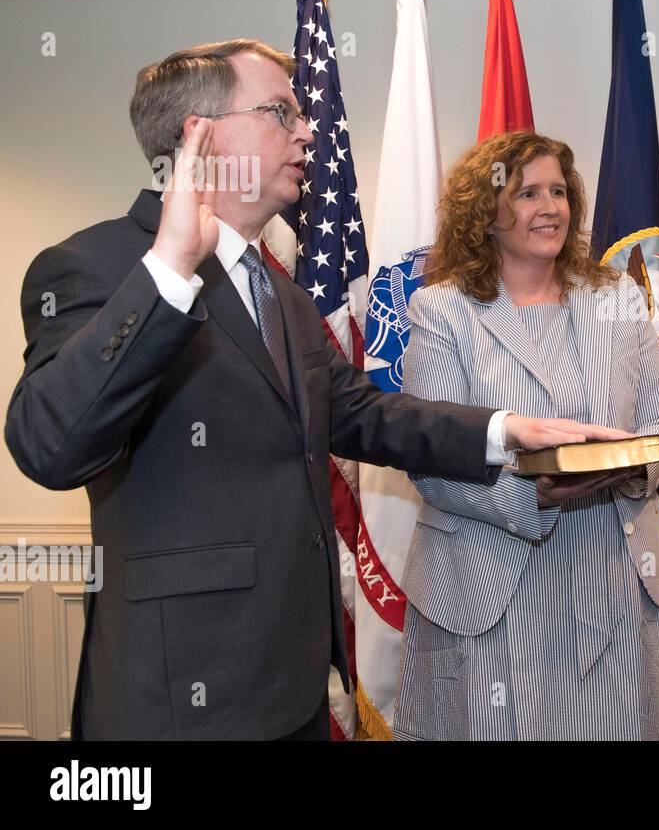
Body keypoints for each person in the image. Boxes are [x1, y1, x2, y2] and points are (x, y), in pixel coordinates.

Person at [5, 39, 619, 740]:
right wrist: (168, 274)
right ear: (197, 135)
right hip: (179, 695)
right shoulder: (94, 265)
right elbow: (50, 446)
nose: (308, 131)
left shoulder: (281, 292)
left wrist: (506, 432)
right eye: (280, 112)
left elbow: (364, 415)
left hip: (296, 683)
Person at [392, 131, 659, 740]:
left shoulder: (617, 297)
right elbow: (430, 460)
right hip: (491, 593)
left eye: (558, 191)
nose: (550, 207)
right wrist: (535, 493)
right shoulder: (441, 309)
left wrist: (637, 464)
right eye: (528, 193)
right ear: (488, 210)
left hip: (612, 578)